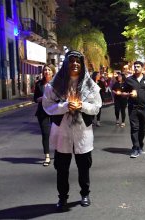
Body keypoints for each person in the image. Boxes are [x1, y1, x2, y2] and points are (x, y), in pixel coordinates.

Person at [42, 50, 102, 211]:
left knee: (84, 166)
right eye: (72, 60)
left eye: (78, 61)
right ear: (66, 63)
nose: (75, 63)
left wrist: (82, 106)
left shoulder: (90, 85)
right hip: (62, 133)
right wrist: (64, 106)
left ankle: (85, 194)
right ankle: (62, 197)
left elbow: (96, 107)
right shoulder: (54, 84)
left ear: (82, 64)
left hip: (83, 132)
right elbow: (47, 107)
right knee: (61, 168)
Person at [124, 61, 145, 158]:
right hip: (133, 108)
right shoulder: (129, 80)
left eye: (138, 66)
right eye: (135, 67)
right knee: (134, 128)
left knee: (142, 129)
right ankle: (135, 148)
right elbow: (122, 93)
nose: (136, 68)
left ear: (142, 68)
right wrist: (129, 94)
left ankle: (140, 145)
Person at [34, 64, 56, 166]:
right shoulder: (39, 84)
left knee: (56, 133)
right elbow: (35, 99)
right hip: (42, 112)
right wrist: (42, 98)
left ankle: (58, 153)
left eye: (48, 70)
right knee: (45, 134)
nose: (46, 72)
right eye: (45, 70)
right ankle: (47, 156)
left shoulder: (57, 83)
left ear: (52, 72)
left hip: (55, 111)